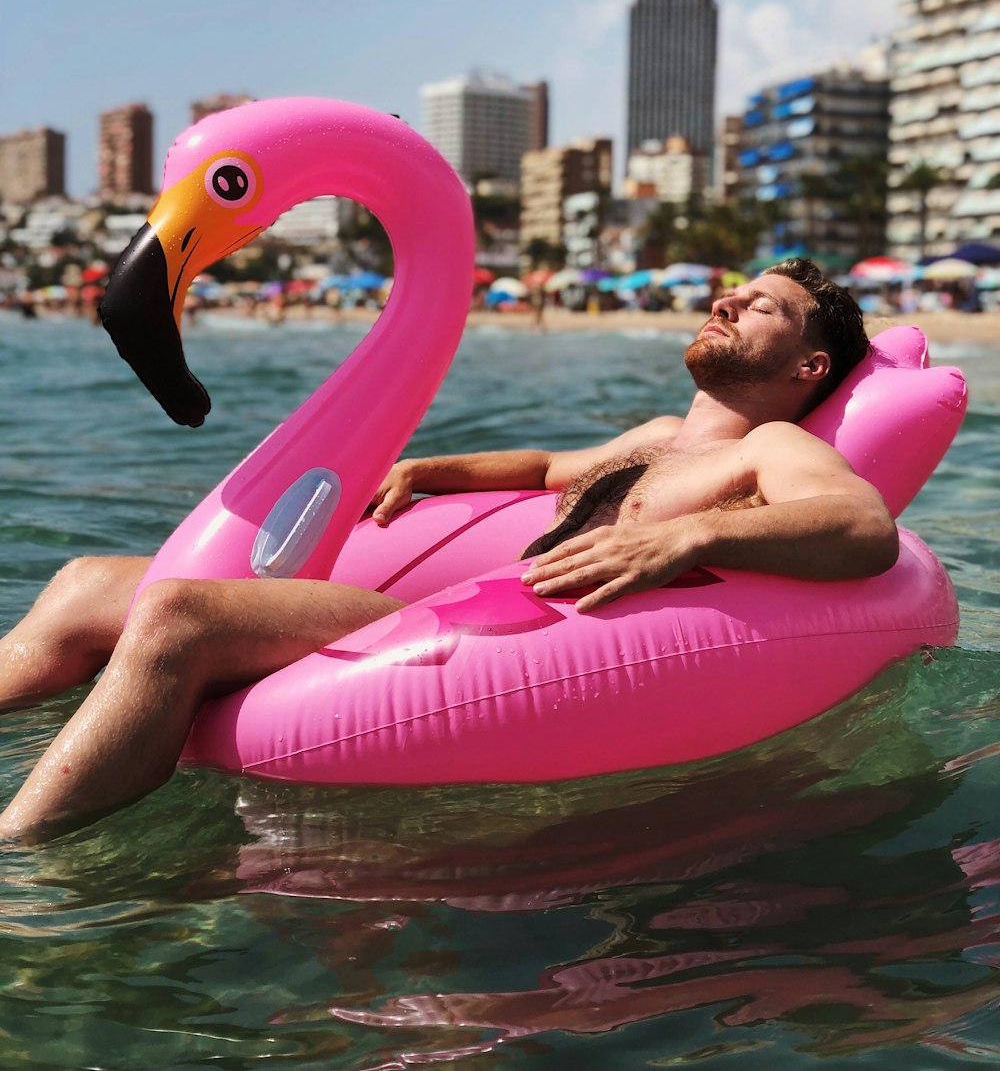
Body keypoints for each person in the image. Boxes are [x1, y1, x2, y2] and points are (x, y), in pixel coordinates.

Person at [0, 260, 898, 844]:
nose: (728, 298)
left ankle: (24, 873)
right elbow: (547, 466)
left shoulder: (770, 450)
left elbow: (863, 527)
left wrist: (690, 532)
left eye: (765, 306)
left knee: (178, 613)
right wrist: (435, 468)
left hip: (490, 647)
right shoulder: (660, 435)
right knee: (86, 583)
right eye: (734, 290)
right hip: (472, 611)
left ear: (808, 368)